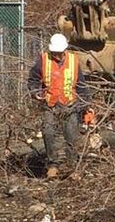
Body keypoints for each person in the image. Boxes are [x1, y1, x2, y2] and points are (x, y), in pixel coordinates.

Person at [34, 31, 87, 177]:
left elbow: (81, 84)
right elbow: (33, 80)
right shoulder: (43, 60)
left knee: (71, 135)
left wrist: (84, 104)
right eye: (54, 52)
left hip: (69, 103)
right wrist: (36, 92)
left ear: (65, 50)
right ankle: (52, 164)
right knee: (48, 132)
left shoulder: (73, 61)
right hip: (50, 102)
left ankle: (73, 166)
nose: (56, 55)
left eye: (59, 52)